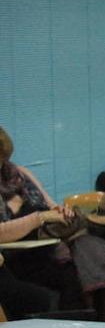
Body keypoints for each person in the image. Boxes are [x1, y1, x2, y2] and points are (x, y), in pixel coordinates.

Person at [0, 125, 83, 316]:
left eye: (2, 156)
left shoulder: (20, 174)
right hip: (12, 257)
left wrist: (59, 211)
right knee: (38, 298)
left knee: (75, 275)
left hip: (40, 250)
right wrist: (40, 217)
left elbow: (49, 205)